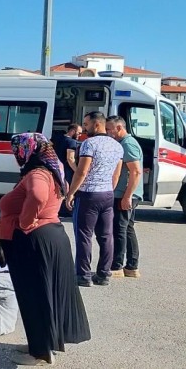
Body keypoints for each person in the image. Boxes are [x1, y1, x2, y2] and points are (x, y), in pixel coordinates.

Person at [0, 133, 91, 366]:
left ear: (26, 152)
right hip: (50, 236)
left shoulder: (37, 173)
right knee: (46, 294)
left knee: (34, 296)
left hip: (34, 239)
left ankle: (39, 352)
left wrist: (26, 221)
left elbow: (38, 195)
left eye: (17, 151)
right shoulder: (53, 168)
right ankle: (42, 343)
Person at [65, 111, 124, 287]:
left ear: (97, 124)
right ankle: (104, 273)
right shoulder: (117, 146)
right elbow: (117, 173)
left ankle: (83, 275)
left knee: (84, 235)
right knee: (106, 236)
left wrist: (71, 193)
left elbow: (82, 171)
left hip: (89, 194)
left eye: (87, 124)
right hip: (107, 194)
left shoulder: (88, 144)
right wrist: (109, 189)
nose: (84, 128)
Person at [106, 115, 143, 278]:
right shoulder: (123, 143)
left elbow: (135, 171)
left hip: (124, 194)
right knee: (127, 229)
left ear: (119, 128)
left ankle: (117, 266)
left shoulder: (127, 144)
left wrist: (127, 196)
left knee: (119, 229)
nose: (107, 132)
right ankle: (132, 267)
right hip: (124, 193)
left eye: (109, 129)